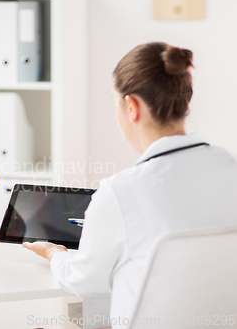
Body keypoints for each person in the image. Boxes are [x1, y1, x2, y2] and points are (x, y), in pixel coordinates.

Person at [23, 42, 237, 328]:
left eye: (115, 104)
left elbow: (84, 281)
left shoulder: (119, 192)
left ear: (132, 106)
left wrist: (55, 255)